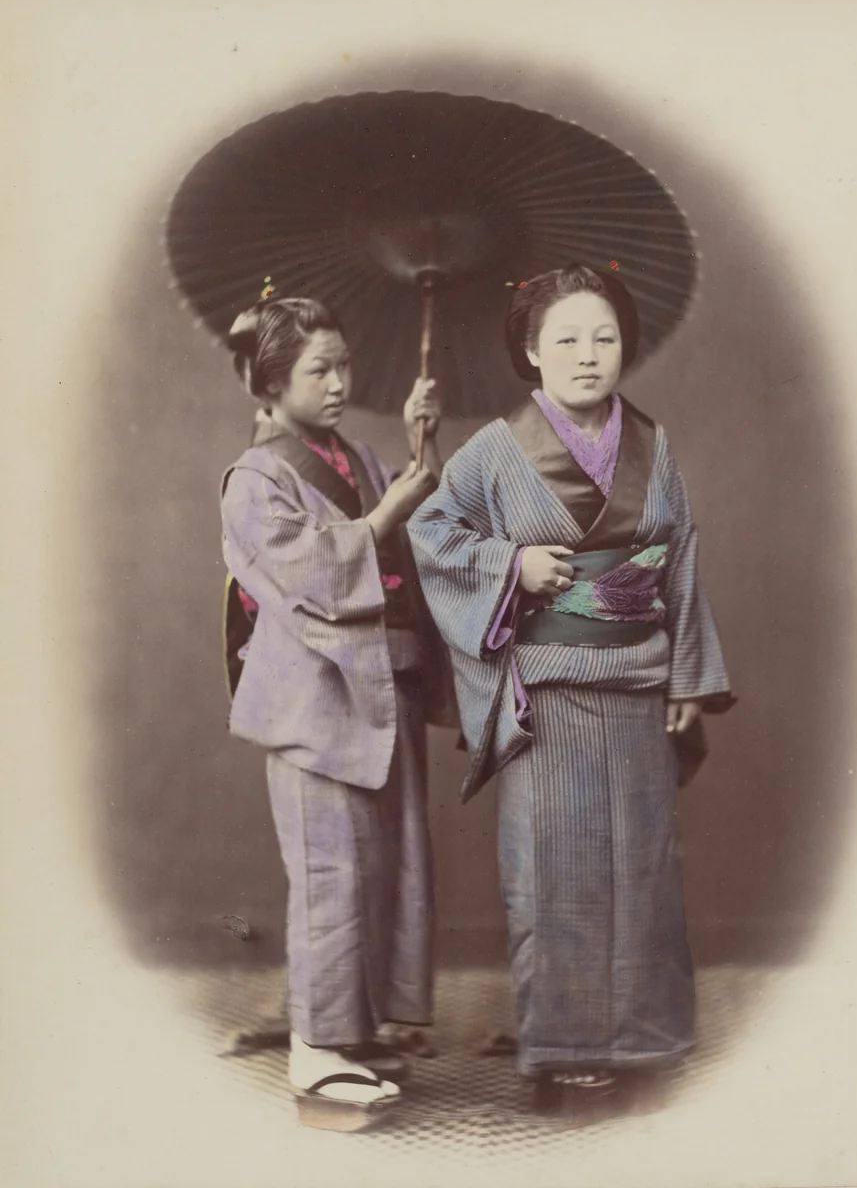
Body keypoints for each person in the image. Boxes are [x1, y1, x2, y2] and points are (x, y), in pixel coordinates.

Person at [407, 264, 733, 1112]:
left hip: (637, 684)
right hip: (548, 695)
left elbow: (681, 560)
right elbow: (431, 532)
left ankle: (643, 1039)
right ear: (530, 350)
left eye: (604, 337)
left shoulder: (653, 446)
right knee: (556, 875)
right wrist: (510, 562)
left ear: (624, 344)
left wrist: (688, 675)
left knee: (642, 871)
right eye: (565, 340)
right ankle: (563, 1046)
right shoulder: (495, 448)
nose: (587, 357)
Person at [220, 289, 442, 1130]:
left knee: (379, 866)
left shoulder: (353, 456)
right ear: (272, 386)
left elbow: (407, 536)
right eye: (320, 369)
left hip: (379, 686)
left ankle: (346, 1033)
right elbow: (310, 574)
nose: (341, 381)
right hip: (315, 702)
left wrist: (422, 447)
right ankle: (315, 1058)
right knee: (328, 875)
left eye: (344, 364)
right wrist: (386, 510)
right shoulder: (255, 478)